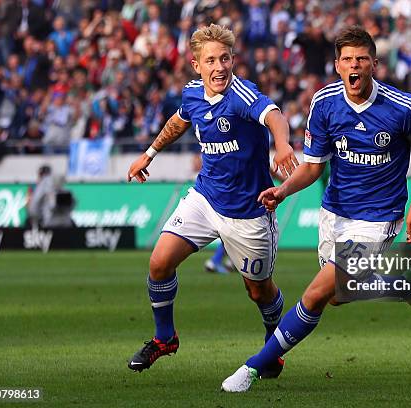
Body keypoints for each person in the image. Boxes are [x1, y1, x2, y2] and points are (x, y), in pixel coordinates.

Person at [221, 26, 411, 392]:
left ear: (374, 63)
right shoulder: (324, 103)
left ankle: (253, 367)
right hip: (334, 213)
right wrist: (284, 190)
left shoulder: (404, 108)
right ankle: (403, 288)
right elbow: (313, 165)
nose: (355, 66)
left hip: (378, 219)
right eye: (348, 59)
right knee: (337, 296)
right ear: (337, 65)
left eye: (362, 59)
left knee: (316, 294)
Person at [126, 24, 298, 376]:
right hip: (205, 198)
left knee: (259, 291)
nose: (219, 67)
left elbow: (274, 115)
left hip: (248, 211)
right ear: (196, 65)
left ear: (233, 60)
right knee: (159, 263)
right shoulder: (192, 94)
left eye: (224, 59)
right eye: (211, 61)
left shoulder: (243, 95)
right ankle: (164, 338)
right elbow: (179, 120)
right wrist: (149, 154)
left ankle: (273, 343)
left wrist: (282, 144)